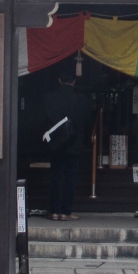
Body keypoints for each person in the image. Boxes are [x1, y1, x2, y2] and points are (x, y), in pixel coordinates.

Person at [42, 67, 92, 221]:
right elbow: (87, 120)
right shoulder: (81, 99)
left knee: (55, 176)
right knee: (70, 177)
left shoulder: (49, 97)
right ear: (74, 81)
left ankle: (54, 211)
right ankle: (66, 211)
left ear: (59, 80)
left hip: (56, 142)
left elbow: (45, 119)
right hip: (74, 142)